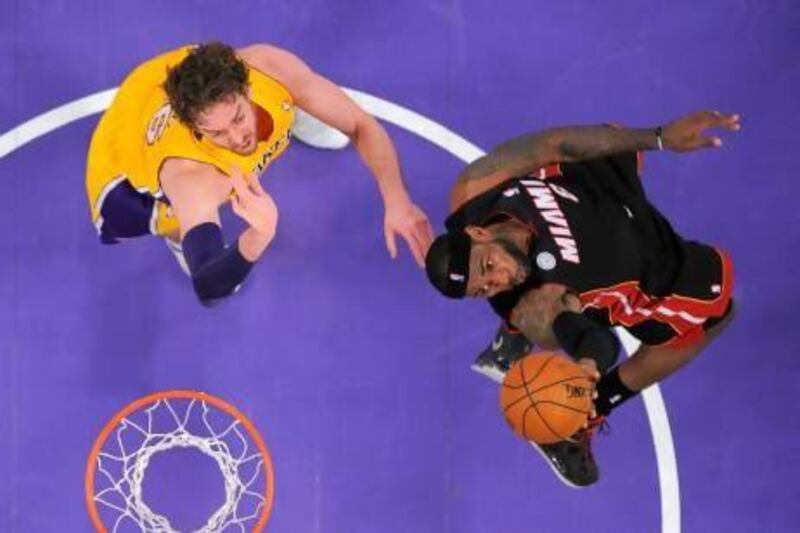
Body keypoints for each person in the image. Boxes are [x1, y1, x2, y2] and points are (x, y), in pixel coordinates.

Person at [424, 111, 740, 487]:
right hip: (645, 256)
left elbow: (554, 145)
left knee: (614, 136)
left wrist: (659, 138)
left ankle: (508, 344)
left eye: (488, 266)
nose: (499, 280)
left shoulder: (472, 188)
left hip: (596, 189)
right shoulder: (540, 303)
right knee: (718, 315)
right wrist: (587, 368)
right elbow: (594, 340)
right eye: (484, 289)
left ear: (477, 231)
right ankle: (583, 418)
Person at [86, 42, 432, 305]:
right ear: (193, 126)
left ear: (247, 89)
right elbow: (209, 285)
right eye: (218, 133)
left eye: (238, 117)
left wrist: (396, 197)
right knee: (182, 223)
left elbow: (359, 125)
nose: (237, 139)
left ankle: (289, 116)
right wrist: (260, 234)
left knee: (299, 102)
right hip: (126, 184)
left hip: (160, 82)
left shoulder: (265, 65)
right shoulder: (191, 178)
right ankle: (178, 240)